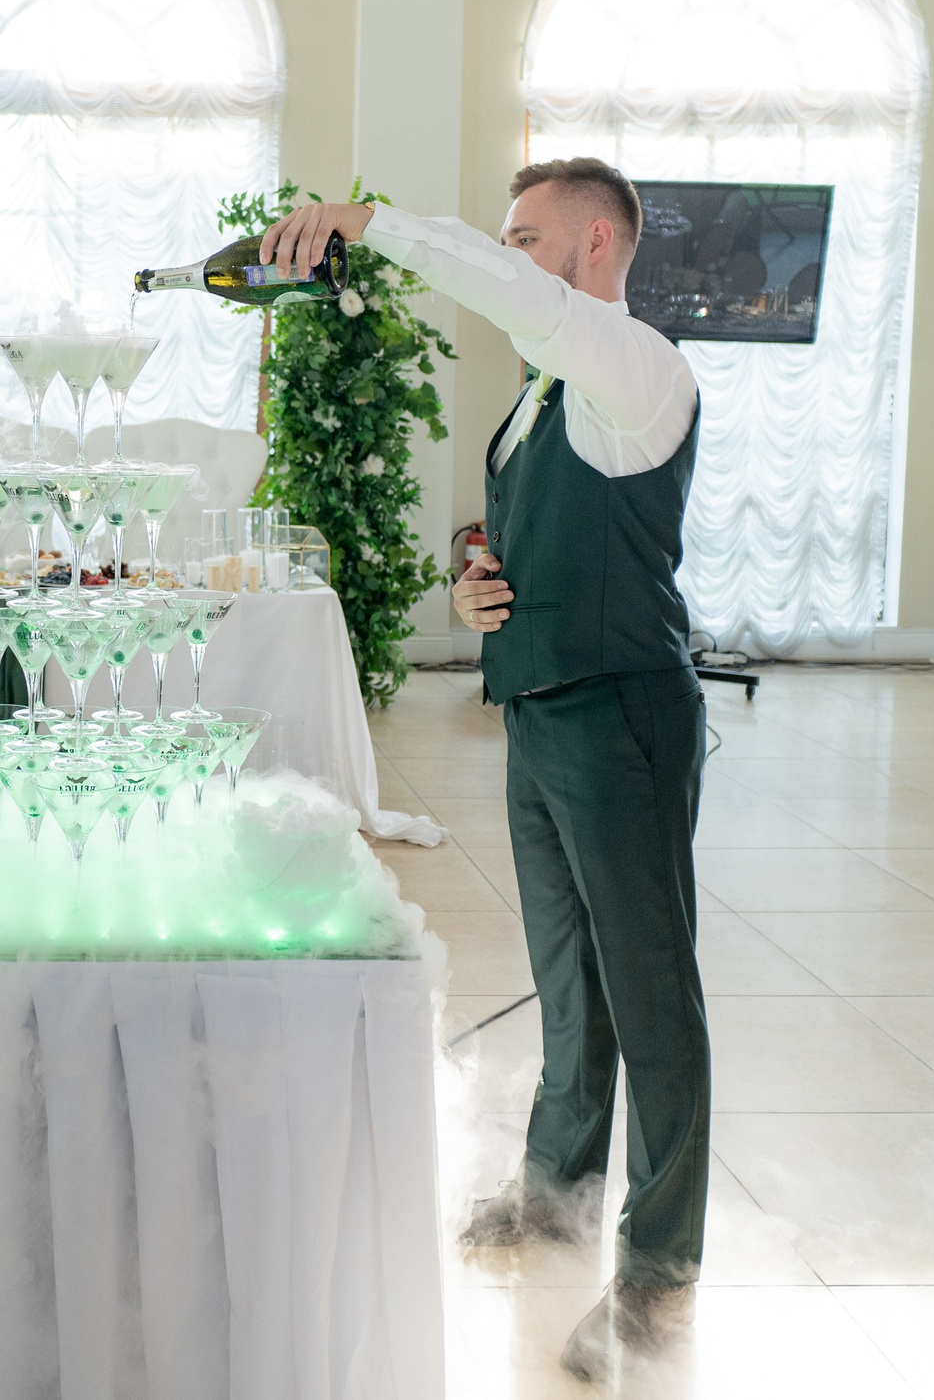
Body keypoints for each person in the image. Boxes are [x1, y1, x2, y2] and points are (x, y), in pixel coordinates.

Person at [261, 160, 706, 1384]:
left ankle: (659, 1277)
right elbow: (539, 538)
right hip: (543, 713)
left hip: (623, 717)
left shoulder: (634, 364)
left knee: (654, 1001)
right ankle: (553, 1194)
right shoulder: (542, 389)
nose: (510, 259)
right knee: (571, 981)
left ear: (599, 242)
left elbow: (505, 295)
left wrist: (371, 222)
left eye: (528, 239)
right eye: (505, 240)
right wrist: (476, 591)